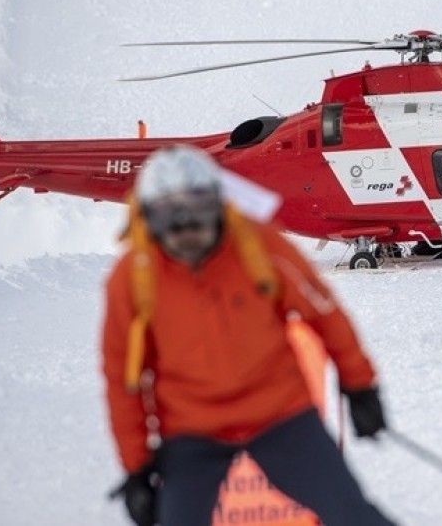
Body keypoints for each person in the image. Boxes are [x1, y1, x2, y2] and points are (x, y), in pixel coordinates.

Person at [102, 146, 394, 526]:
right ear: (147, 219)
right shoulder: (133, 277)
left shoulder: (259, 246)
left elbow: (325, 313)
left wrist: (360, 387)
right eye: (169, 218)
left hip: (279, 414)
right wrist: (137, 467)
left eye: (198, 213)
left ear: (218, 206)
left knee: (351, 515)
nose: (186, 231)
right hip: (192, 428)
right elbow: (122, 378)